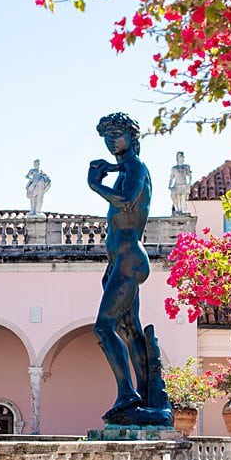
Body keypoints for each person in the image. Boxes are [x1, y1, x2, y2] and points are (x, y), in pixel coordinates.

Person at [88, 112, 172, 427]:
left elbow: (125, 201)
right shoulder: (124, 169)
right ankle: (147, 396)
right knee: (129, 330)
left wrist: (96, 184)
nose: (111, 141)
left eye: (116, 134)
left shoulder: (136, 168)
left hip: (129, 258)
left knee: (103, 326)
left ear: (132, 137)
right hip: (119, 260)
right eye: (106, 136)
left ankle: (127, 396)